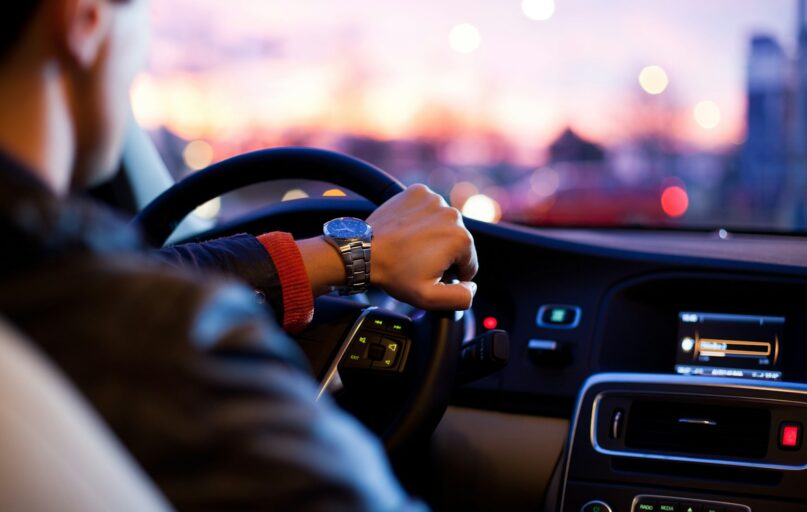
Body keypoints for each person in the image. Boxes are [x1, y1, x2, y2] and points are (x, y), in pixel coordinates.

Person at [0, 0, 478, 510]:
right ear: (86, 18)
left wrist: (350, 254)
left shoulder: (46, 287)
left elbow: (138, 272)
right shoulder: (168, 342)